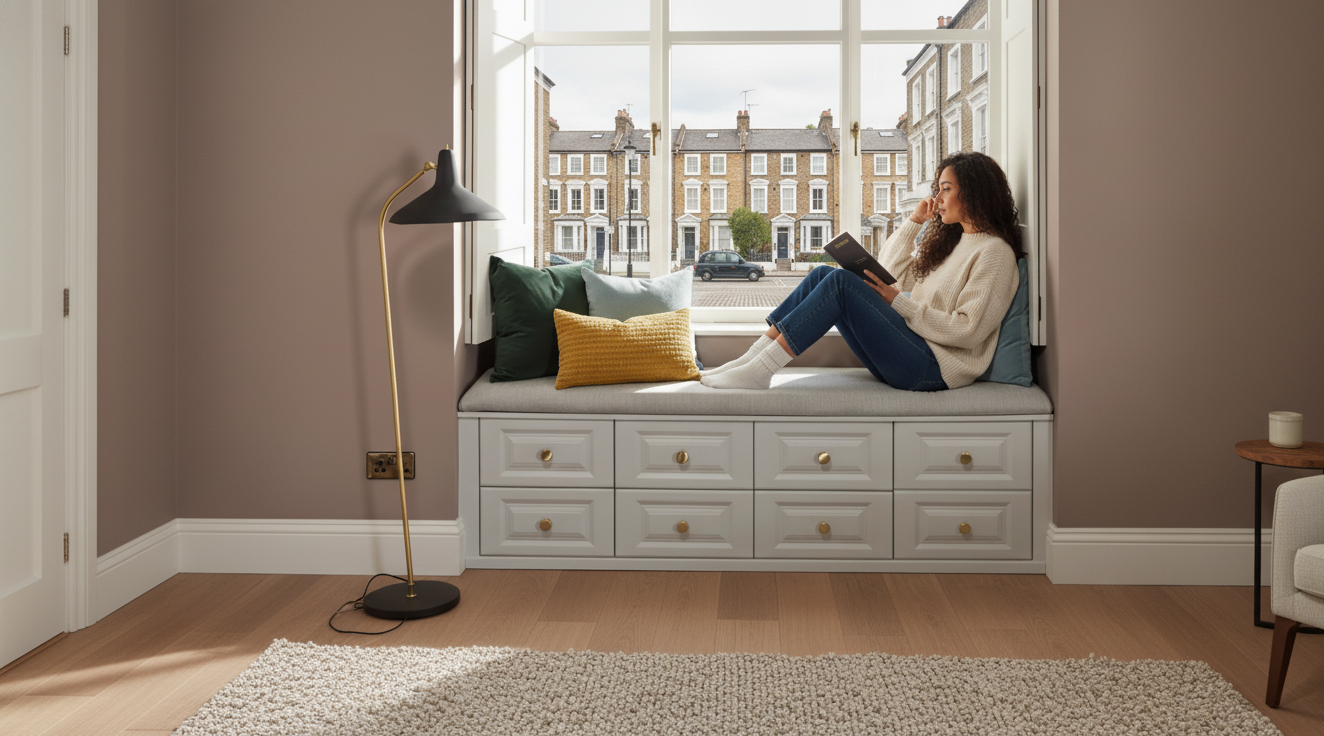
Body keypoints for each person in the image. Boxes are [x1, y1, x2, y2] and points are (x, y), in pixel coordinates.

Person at [701, 151, 1024, 391]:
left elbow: (968, 332)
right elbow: (891, 273)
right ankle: (752, 359)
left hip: (933, 369)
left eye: (946, 189)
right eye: (937, 190)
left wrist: (899, 302)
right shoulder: (954, 242)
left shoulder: (994, 253)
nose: (936, 198)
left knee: (841, 282)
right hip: (911, 351)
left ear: (975, 192)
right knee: (823, 275)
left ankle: (761, 370)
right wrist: (913, 223)